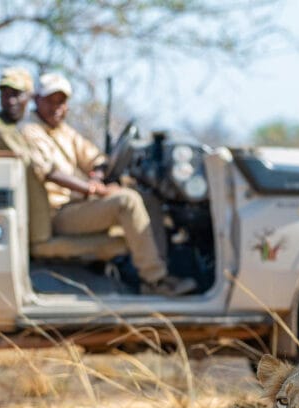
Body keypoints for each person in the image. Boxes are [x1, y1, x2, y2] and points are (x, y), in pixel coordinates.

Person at [20, 73, 196, 296]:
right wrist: (96, 189)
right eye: (50, 101)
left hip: (78, 205)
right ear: (37, 100)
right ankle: (154, 281)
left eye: (61, 101)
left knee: (147, 200)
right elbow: (49, 172)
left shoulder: (64, 131)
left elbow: (97, 159)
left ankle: (159, 272)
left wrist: (97, 175)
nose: (57, 107)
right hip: (58, 214)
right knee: (126, 201)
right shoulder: (30, 131)